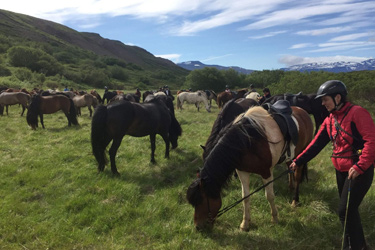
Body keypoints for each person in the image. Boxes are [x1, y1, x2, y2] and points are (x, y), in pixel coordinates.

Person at [289, 80, 375, 250]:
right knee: (348, 212)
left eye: (325, 99)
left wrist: (360, 166)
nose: (322, 103)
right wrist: (298, 161)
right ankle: (353, 244)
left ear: (337, 97)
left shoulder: (358, 113)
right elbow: (316, 144)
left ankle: (355, 246)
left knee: (345, 211)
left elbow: (371, 141)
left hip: (357, 171)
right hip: (341, 170)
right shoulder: (330, 119)